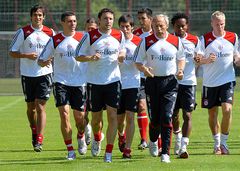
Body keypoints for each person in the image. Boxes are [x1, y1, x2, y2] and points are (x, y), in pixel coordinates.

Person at [75, 8, 126, 163]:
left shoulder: (119, 34)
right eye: (105, 18)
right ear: (99, 20)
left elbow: (122, 50)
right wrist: (90, 57)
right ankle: (97, 138)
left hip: (113, 81)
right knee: (96, 120)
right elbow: (78, 55)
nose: (108, 21)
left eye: (111, 18)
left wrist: (122, 56)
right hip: (94, 83)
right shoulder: (90, 36)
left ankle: (108, 152)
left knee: (112, 116)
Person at [134, 14, 185, 163]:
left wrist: (180, 70)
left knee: (167, 116)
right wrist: (145, 70)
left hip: (170, 83)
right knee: (155, 119)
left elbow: (181, 58)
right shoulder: (146, 41)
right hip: (152, 82)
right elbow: (138, 62)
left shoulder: (176, 41)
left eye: (161, 25)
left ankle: (165, 153)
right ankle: (153, 140)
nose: (158, 28)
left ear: (166, 25)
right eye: (155, 25)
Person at [38, 11, 87, 160]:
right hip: (61, 82)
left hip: (79, 82)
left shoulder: (83, 38)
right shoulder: (55, 40)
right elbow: (41, 60)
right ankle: (70, 150)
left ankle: (81, 134)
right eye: (69, 21)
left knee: (80, 118)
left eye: (74, 21)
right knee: (64, 114)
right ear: (63, 23)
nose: (73, 24)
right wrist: (43, 62)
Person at [9, 4, 54, 152]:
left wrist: (50, 59)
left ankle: (39, 139)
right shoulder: (23, 32)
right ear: (31, 16)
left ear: (44, 17)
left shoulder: (50, 32)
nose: (38, 17)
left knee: (40, 105)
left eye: (40, 15)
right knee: (31, 108)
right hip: (28, 75)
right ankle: (34, 130)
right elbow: (12, 52)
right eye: (35, 15)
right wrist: (26, 55)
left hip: (45, 74)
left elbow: (56, 50)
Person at [200, 11, 240, 155]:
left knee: (227, 110)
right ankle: (216, 144)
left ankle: (224, 143)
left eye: (222, 24)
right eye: (217, 24)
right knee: (212, 114)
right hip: (210, 83)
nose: (220, 27)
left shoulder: (233, 37)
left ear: (225, 23)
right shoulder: (204, 39)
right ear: (212, 24)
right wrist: (206, 60)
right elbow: (197, 59)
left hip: (227, 80)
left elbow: (236, 55)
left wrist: (237, 60)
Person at [171, 12, 203, 158]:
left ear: (187, 26)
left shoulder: (195, 40)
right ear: (173, 26)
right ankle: (177, 136)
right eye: (178, 26)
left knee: (187, 114)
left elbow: (200, 56)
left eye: (183, 26)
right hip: (171, 82)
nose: (181, 29)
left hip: (189, 82)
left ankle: (184, 146)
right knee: (173, 115)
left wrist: (198, 58)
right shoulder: (169, 40)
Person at [117, 14, 141, 158]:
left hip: (133, 83)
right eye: (122, 27)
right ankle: (121, 135)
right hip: (117, 83)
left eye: (128, 27)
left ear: (132, 27)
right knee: (119, 120)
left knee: (131, 117)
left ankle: (128, 149)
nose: (125, 29)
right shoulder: (114, 41)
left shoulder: (139, 42)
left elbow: (144, 60)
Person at [133, 7, 153, 150]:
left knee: (155, 109)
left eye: (143, 18)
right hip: (139, 76)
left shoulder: (159, 33)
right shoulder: (135, 35)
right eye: (139, 19)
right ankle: (144, 139)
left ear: (150, 19)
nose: (140, 21)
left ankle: (156, 139)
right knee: (141, 107)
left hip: (155, 76)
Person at [83, 17, 98, 146]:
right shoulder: (81, 41)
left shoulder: (100, 41)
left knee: (97, 114)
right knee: (83, 111)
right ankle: (87, 128)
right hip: (82, 82)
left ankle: (97, 137)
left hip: (97, 81)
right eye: (88, 28)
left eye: (93, 29)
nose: (90, 30)